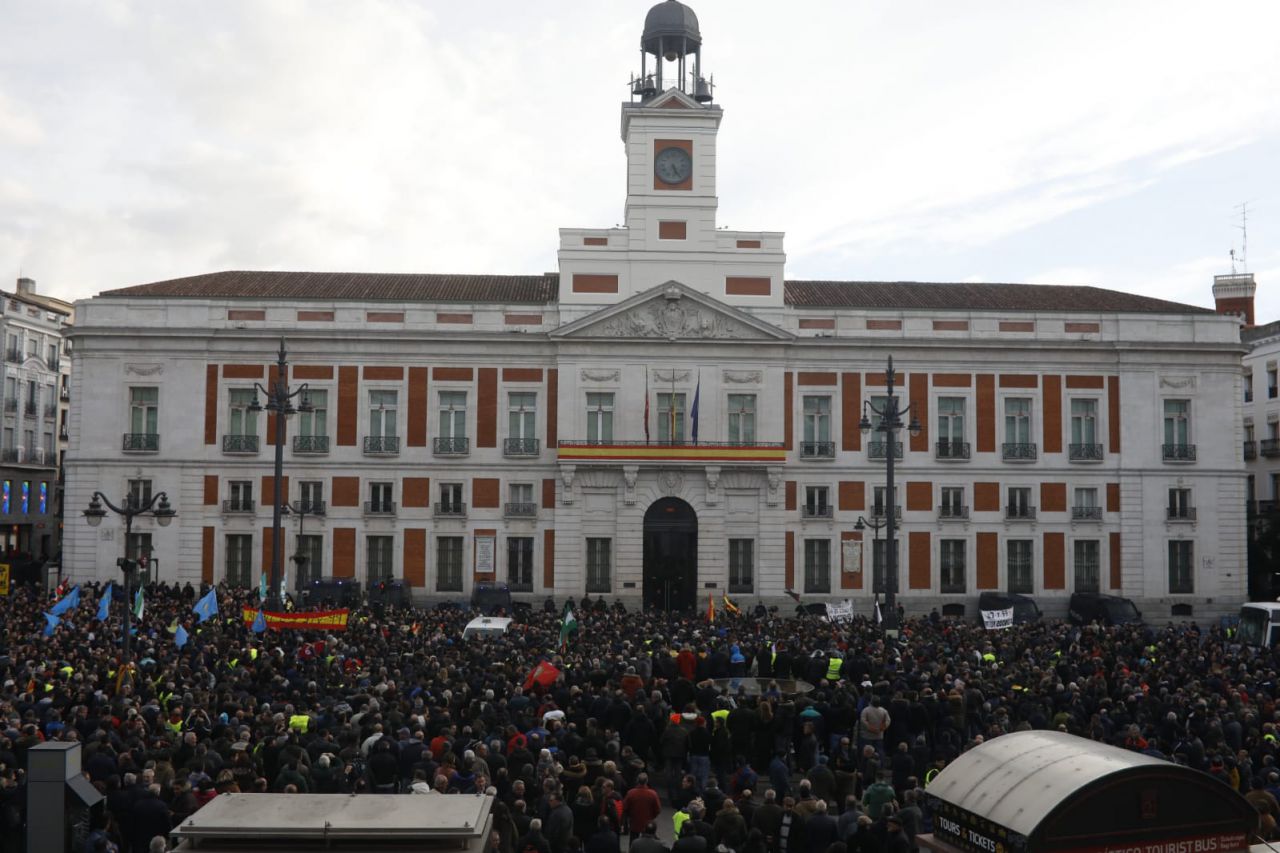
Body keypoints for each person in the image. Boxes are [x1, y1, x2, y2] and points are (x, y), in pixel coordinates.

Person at [622, 773, 662, 844]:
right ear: (647, 781)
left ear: (637, 781)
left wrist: (629, 816)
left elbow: (625, 807)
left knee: (633, 840)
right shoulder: (653, 794)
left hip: (634, 822)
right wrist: (651, 817)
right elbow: (658, 809)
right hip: (648, 822)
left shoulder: (631, 793)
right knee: (648, 842)